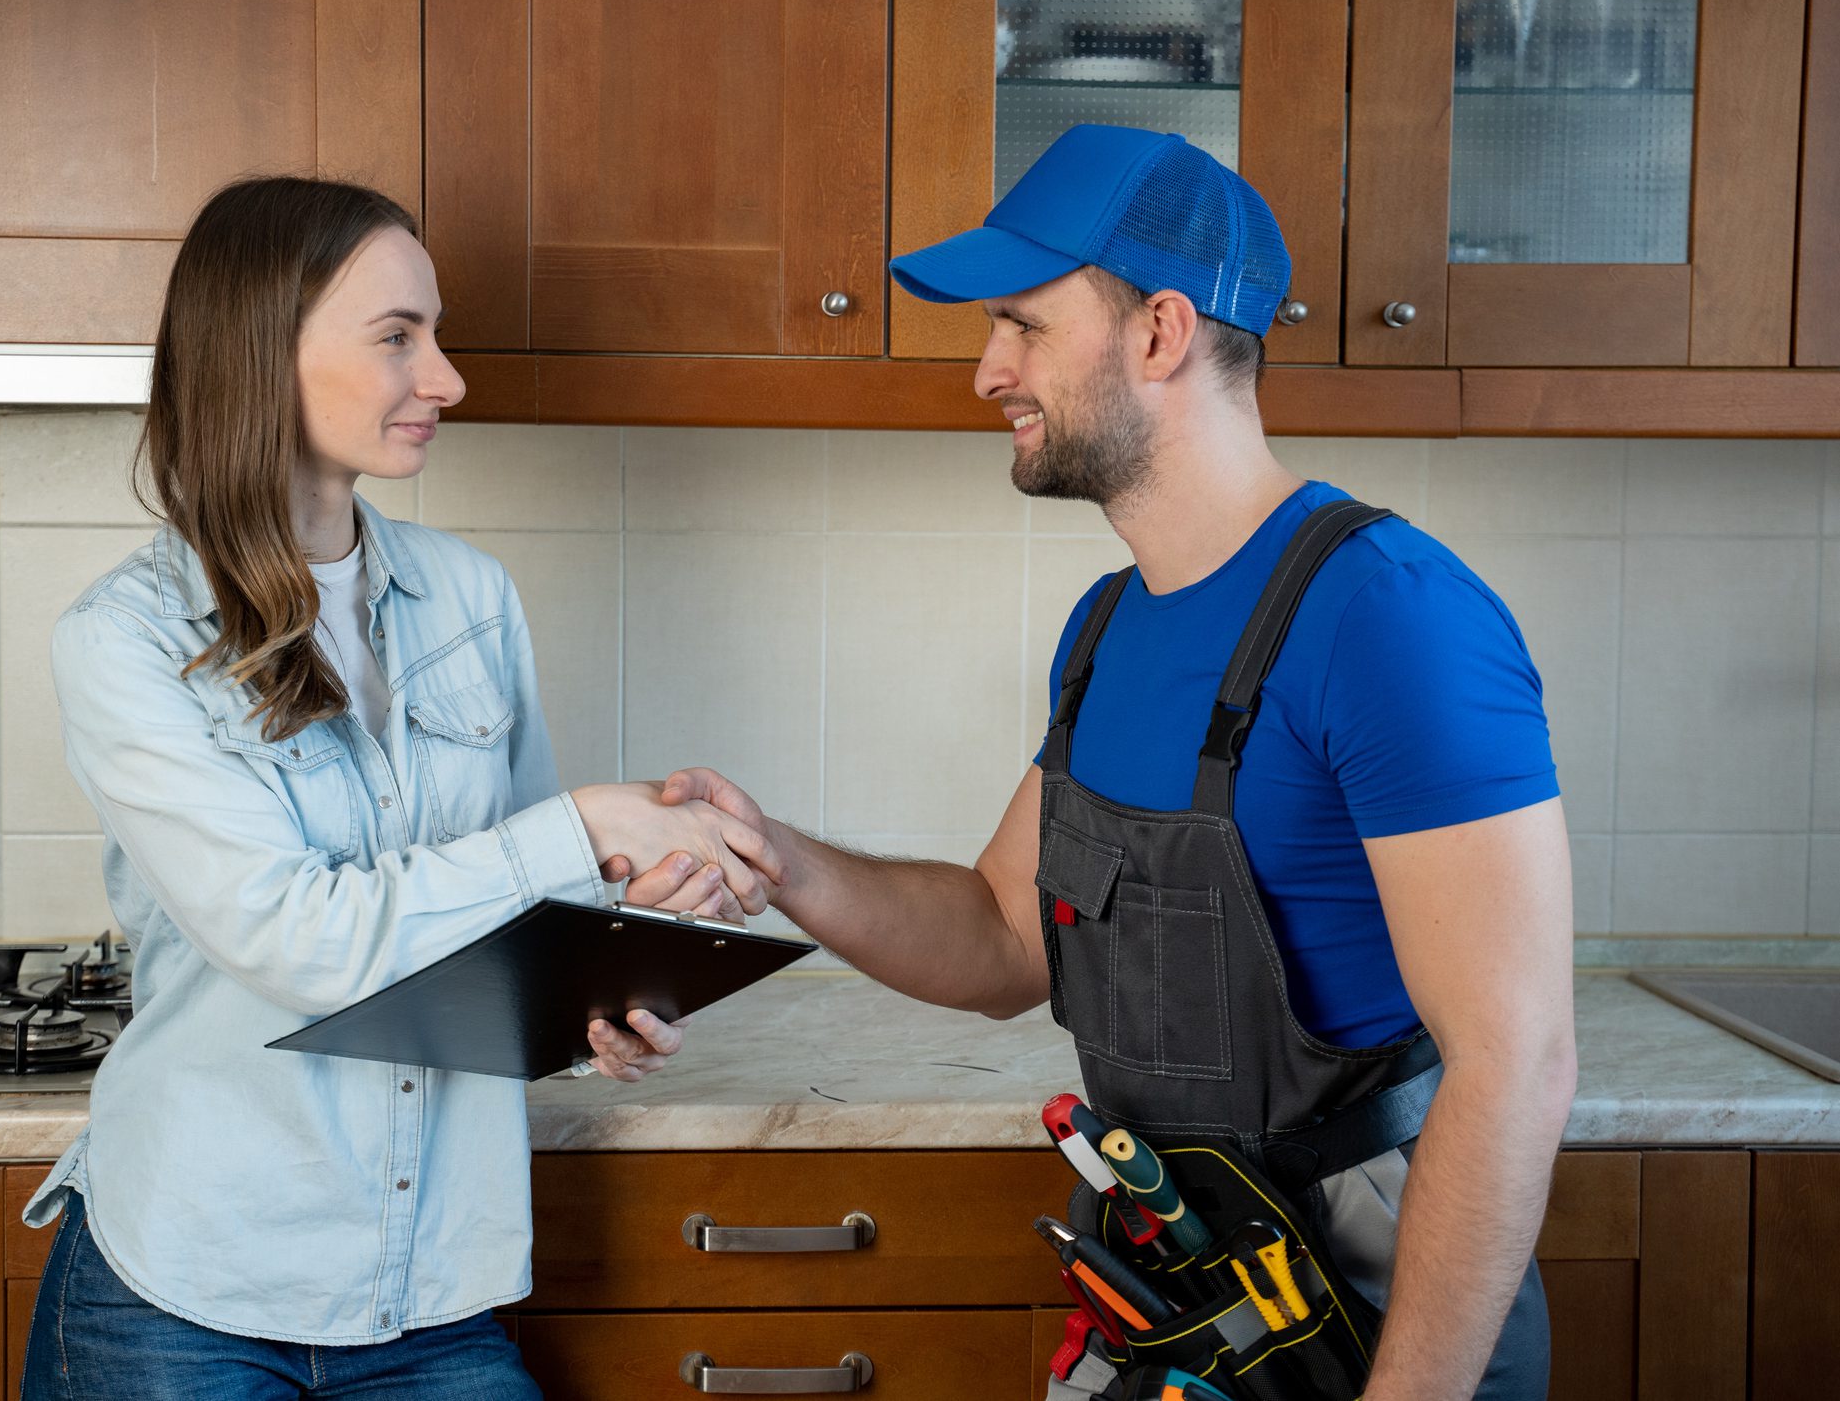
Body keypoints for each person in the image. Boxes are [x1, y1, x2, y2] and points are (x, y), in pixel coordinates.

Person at [641, 127, 1574, 1400]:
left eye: (1022, 324)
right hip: (1191, 1293)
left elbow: (1517, 1061)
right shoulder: (1109, 624)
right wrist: (782, 861)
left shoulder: (1389, 615)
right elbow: (999, 938)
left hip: (1375, 1320)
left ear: (1160, 333)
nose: (986, 373)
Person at [19, 176, 776, 1400]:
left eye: (436, 332)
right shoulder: (126, 639)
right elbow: (297, 941)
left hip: (433, 1290)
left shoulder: (471, 598)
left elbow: (522, 926)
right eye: (397, 337)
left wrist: (598, 996)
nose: (448, 378)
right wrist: (583, 823)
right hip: (190, 1290)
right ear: (263, 352)